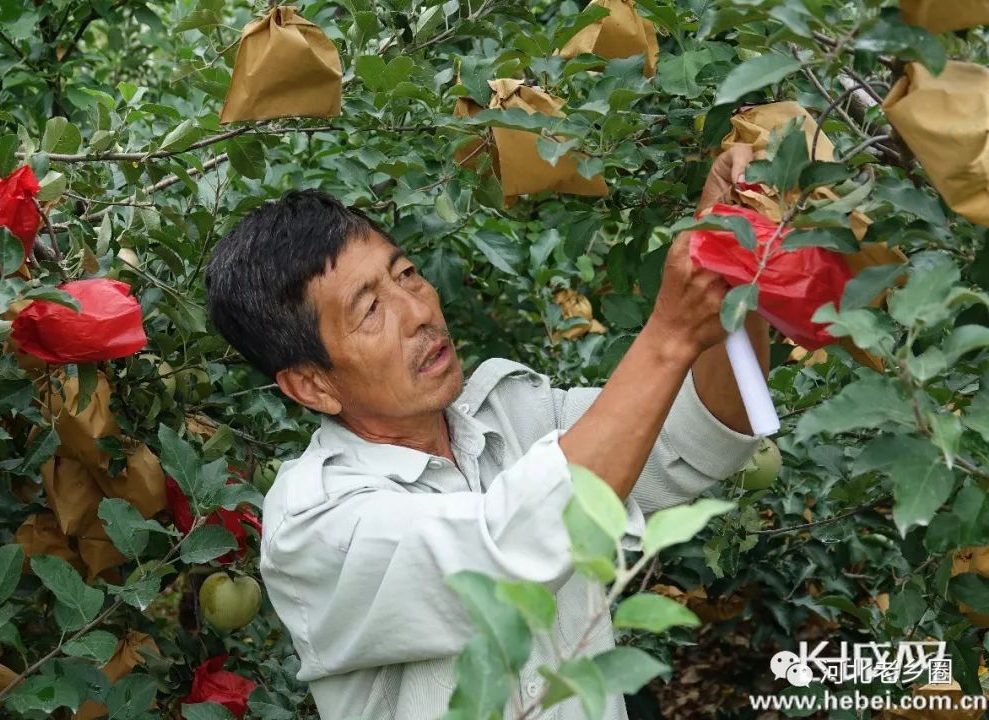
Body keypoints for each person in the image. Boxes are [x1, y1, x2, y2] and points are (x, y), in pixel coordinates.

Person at [204, 143, 770, 720]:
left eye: (406, 274)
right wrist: (668, 336)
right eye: (370, 310)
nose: (419, 310)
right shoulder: (315, 525)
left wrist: (725, 249)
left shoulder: (515, 416)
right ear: (311, 386)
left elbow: (706, 435)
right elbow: (509, 555)